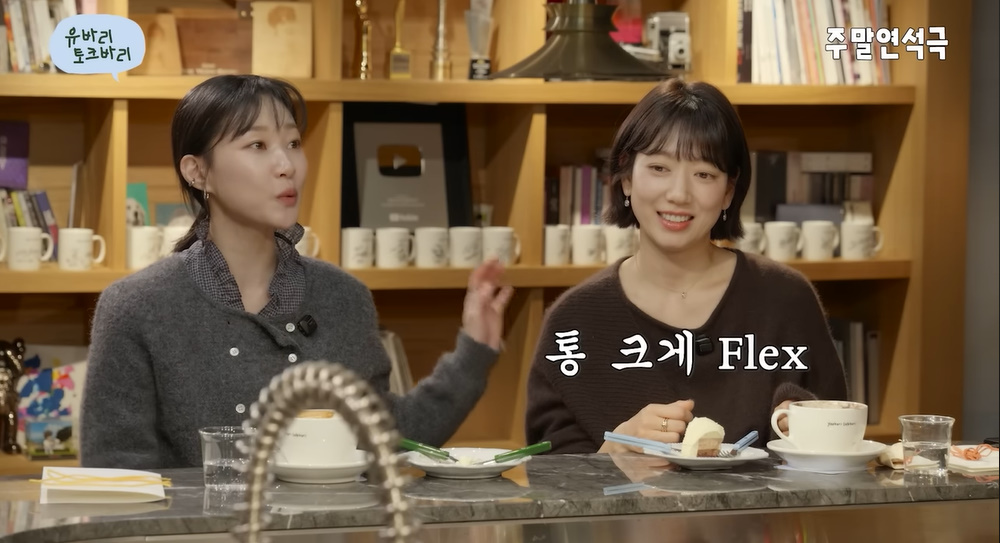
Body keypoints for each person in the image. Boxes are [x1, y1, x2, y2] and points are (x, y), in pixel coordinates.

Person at [80, 75, 514, 470]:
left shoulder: (343, 295)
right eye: (257, 145)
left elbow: (385, 437)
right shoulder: (137, 307)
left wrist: (473, 352)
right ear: (199, 172)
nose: (286, 165)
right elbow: (117, 479)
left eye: (292, 143)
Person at [524, 79, 848, 454]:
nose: (678, 194)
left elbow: (840, 447)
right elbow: (551, 478)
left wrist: (806, 427)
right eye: (659, 168)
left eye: (704, 174)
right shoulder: (574, 321)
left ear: (728, 191)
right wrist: (612, 455)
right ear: (625, 179)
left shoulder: (786, 299)